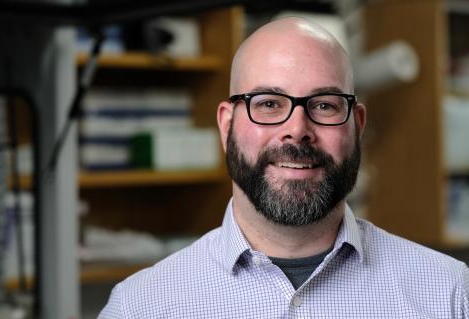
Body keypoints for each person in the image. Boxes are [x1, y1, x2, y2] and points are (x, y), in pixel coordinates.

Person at [99, 17, 469, 318]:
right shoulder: (139, 307)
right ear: (227, 126)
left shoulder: (450, 295)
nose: (297, 130)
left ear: (356, 125)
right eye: (269, 104)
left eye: (324, 105)